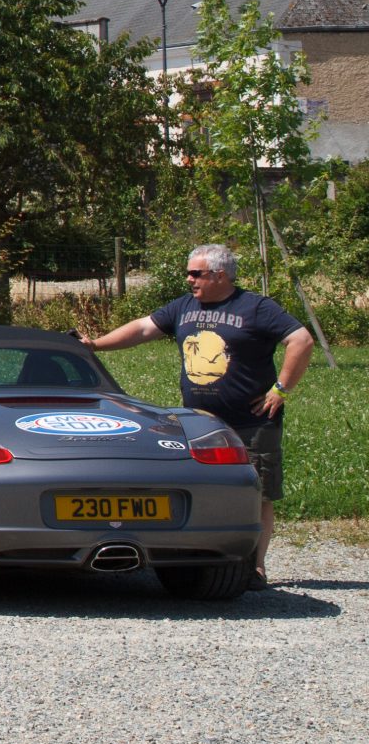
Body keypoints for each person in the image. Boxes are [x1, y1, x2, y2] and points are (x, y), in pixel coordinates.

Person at [77, 243, 315, 584]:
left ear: (220, 275)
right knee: (199, 487)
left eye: (195, 273)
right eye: (188, 273)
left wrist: (281, 389)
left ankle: (254, 567)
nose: (189, 279)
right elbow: (143, 329)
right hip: (197, 423)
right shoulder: (183, 307)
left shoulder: (256, 307)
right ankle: (197, 556)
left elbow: (301, 340)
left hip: (251, 422)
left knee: (256, 493)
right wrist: (97, 345)